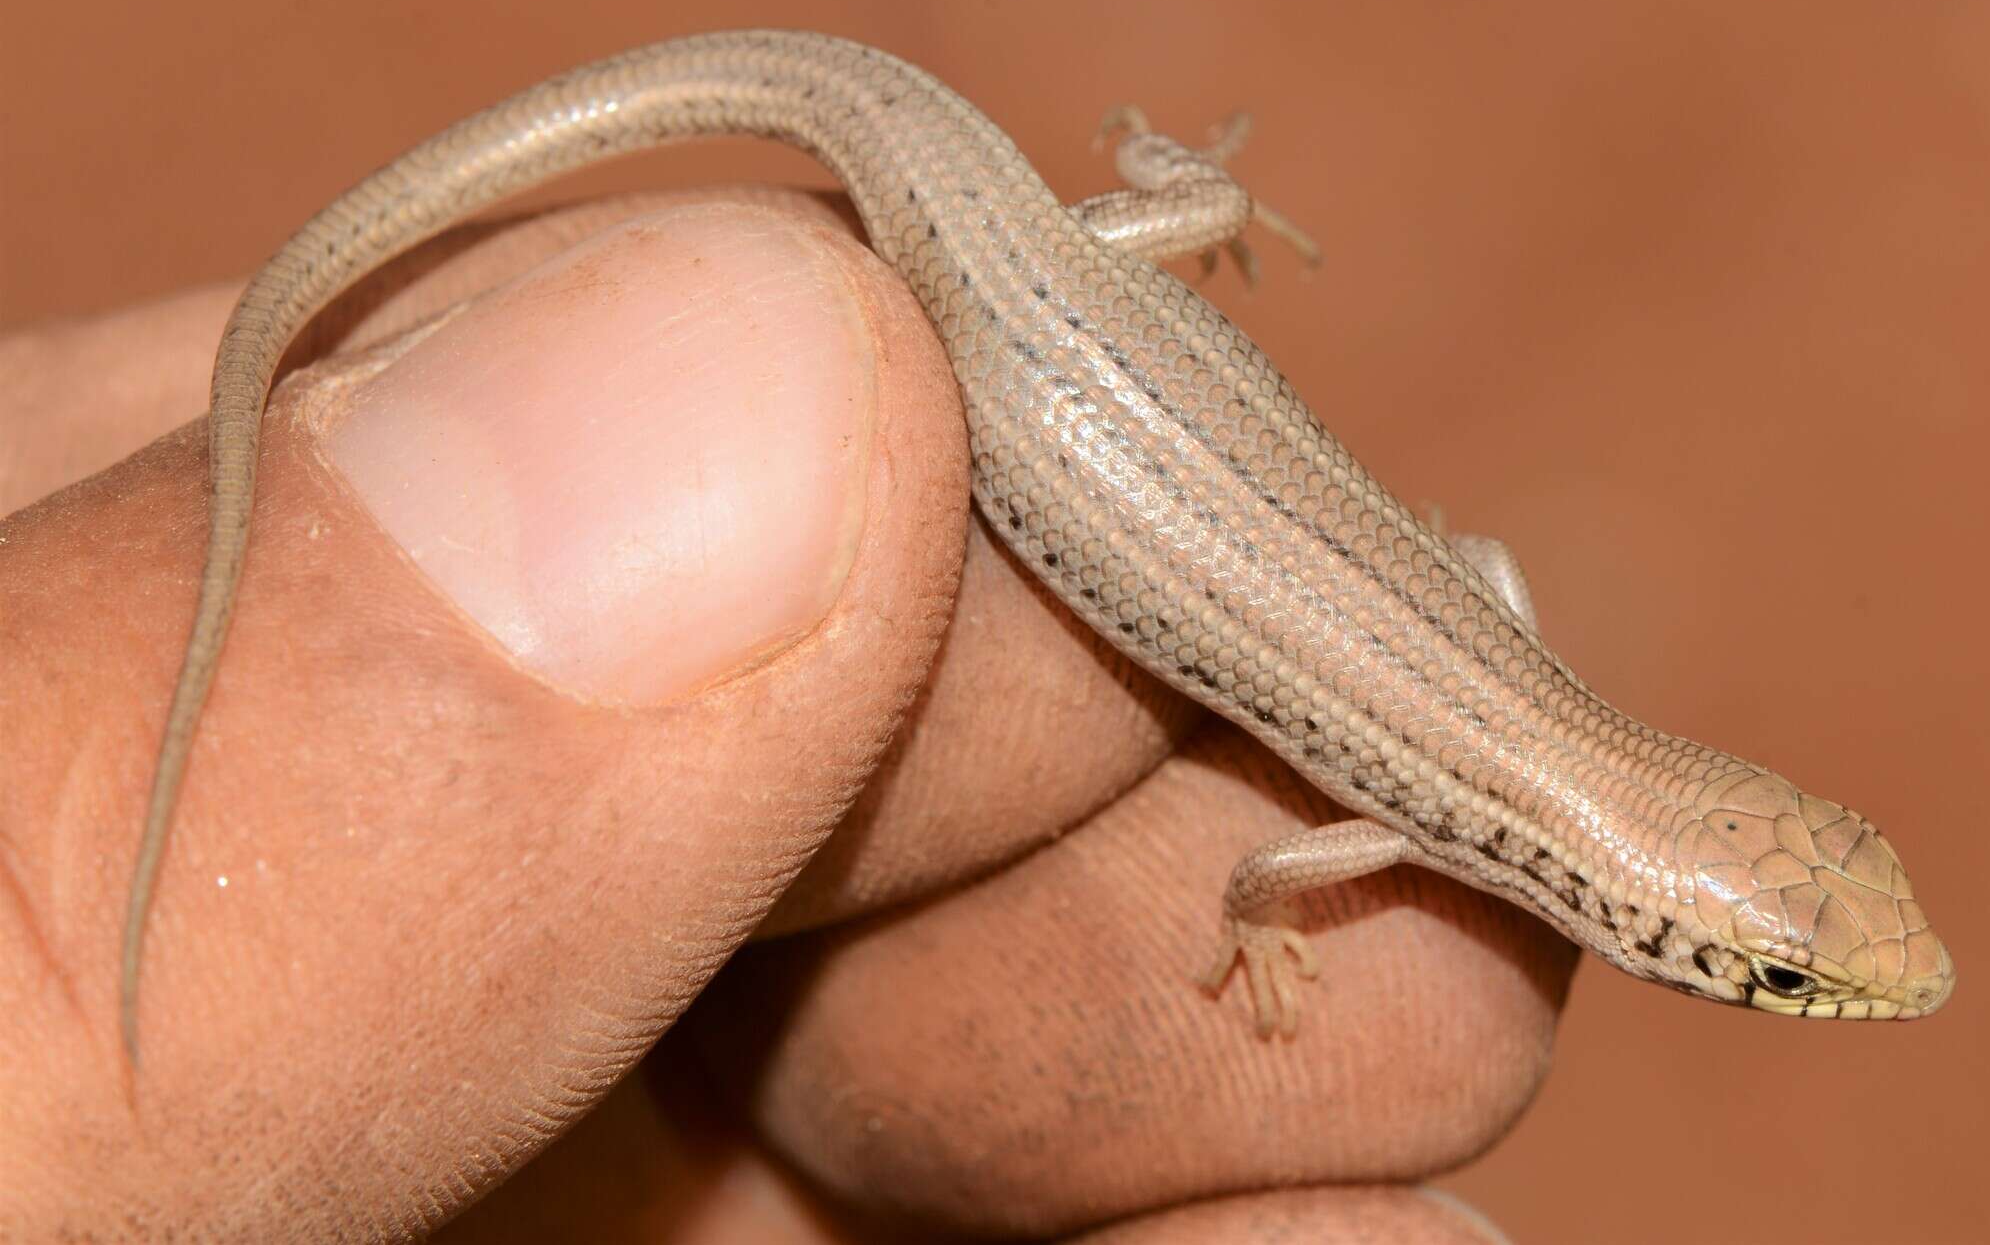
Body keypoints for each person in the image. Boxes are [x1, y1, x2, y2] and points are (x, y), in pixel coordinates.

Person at [0, 189, 1567, 1242]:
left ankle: (1171, 189)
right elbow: (1268, 868)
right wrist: (1269, 922)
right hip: (1019, 373)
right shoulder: (1449, 821)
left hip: (1074, 302)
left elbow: (1481, 571)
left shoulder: (1500, 749)